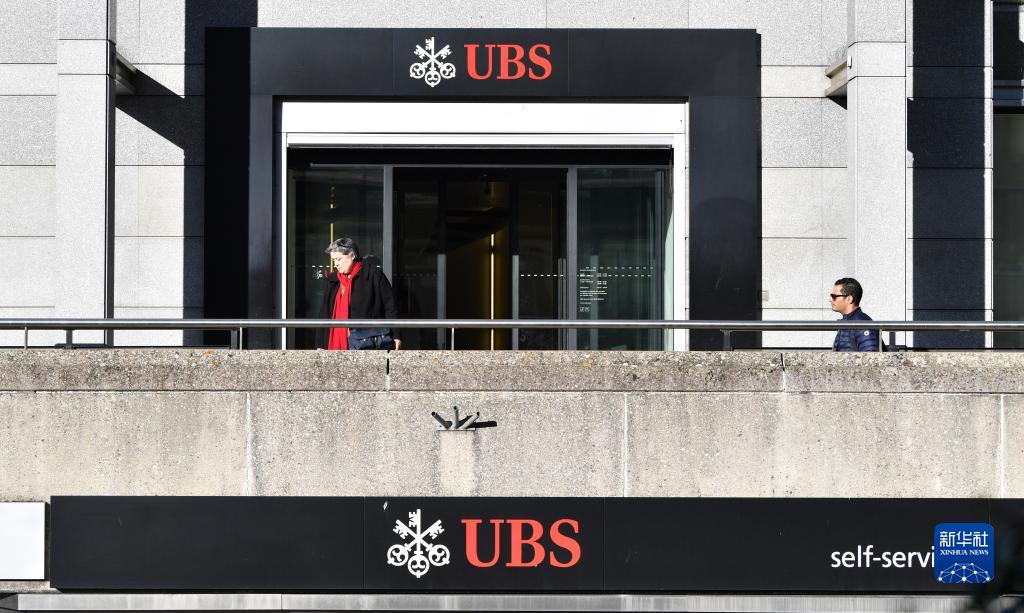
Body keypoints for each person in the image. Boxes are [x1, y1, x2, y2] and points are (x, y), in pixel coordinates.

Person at [315, 238, 402, 350]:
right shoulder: (334, 280)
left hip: (367, 342)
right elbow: (325, 313)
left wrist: (396, 335)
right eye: (334, 260)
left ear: (352, 255)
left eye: (339, 259)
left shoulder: (373, 275)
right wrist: (320, 344)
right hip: (337, 342)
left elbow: (390, 306)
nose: (336, 264)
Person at [829, 277, 879, 352]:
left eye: (834, 297)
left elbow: (871, 356)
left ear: (849, 299)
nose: (830, 300)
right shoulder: (849, 322)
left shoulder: (862, 324)